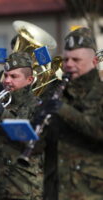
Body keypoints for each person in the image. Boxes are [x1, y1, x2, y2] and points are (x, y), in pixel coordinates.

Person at [43, 27, 103, 200]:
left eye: (76, 59)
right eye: (66, 59)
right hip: (55, 189)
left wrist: (64, 111)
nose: (68, 64)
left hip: (91, 191)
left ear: (94, 61)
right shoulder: (57, 91)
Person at [0, 51, 43, 200]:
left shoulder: (37, 106)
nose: (7, 80)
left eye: (14, 76)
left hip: (21, 186)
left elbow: (31, 140)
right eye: (6, 75)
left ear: (29, 79)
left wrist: (3, 116)